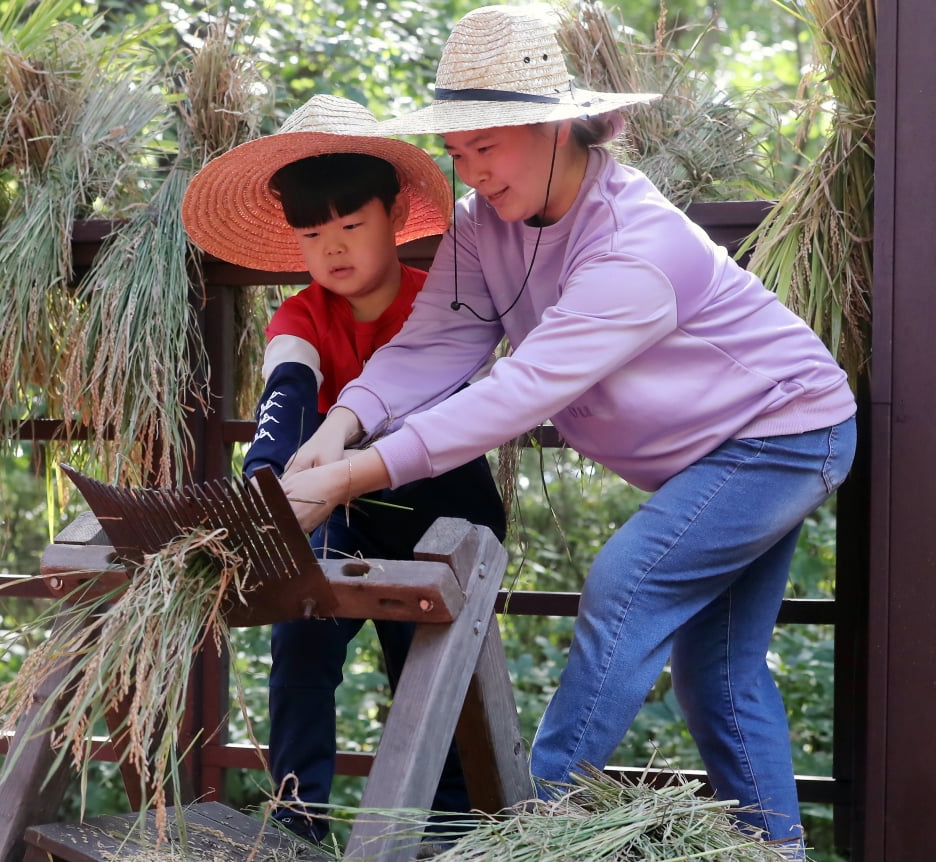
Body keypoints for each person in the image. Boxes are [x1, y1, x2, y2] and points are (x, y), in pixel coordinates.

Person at [280, 6, 856, 856]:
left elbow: (518, 392)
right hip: (708, 459)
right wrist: (340, 425)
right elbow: (441, 340)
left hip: (782, 437)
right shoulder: (481, 225)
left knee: (625, 585)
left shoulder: (637, 245)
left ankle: (528, 832)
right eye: (458, 149)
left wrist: (348, 478)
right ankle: (779, 852)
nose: (471, 170)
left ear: (560, 126)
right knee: (719, 675)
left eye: (491, 144)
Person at [181, 94, 507, 845]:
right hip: (330, 512)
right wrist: (266, 491)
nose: (333, 249)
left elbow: (453, 417)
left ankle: (447, 828)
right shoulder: (298, 319)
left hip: (441, 510)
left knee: (427, 664)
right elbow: (284, 401)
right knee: (299, 638)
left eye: (352, 225)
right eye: (312, 233)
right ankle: (297, 821)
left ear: (394, 216)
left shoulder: (443, 303)